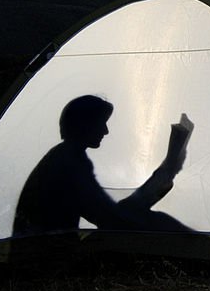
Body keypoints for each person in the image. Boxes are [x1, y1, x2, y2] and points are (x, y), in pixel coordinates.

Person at [13, 95, 191, 235]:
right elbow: (111, 218)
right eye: (101, 123)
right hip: (44, 256)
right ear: (84, 125)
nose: (106, 131)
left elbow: (111, 215)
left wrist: (166, 172)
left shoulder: (66, 156)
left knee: (150, 220)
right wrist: (167, 170)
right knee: (156, 221)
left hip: (42, 251)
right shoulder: (69, 161)